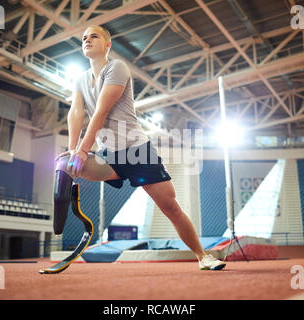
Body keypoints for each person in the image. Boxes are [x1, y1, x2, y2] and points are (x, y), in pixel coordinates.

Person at [56, 25, 226, 271]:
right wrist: (73, 150)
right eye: (84, 37)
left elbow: (101, 111)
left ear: (107, 45)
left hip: (137, 151)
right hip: (111, 156)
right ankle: (59, 226)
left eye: (94, 36)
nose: (87, 40)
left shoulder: (117, 68)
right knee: (63, 163)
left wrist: (83, 149)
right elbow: (76, 112)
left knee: (170, 207)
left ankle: (203, 257)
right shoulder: (81, 80)